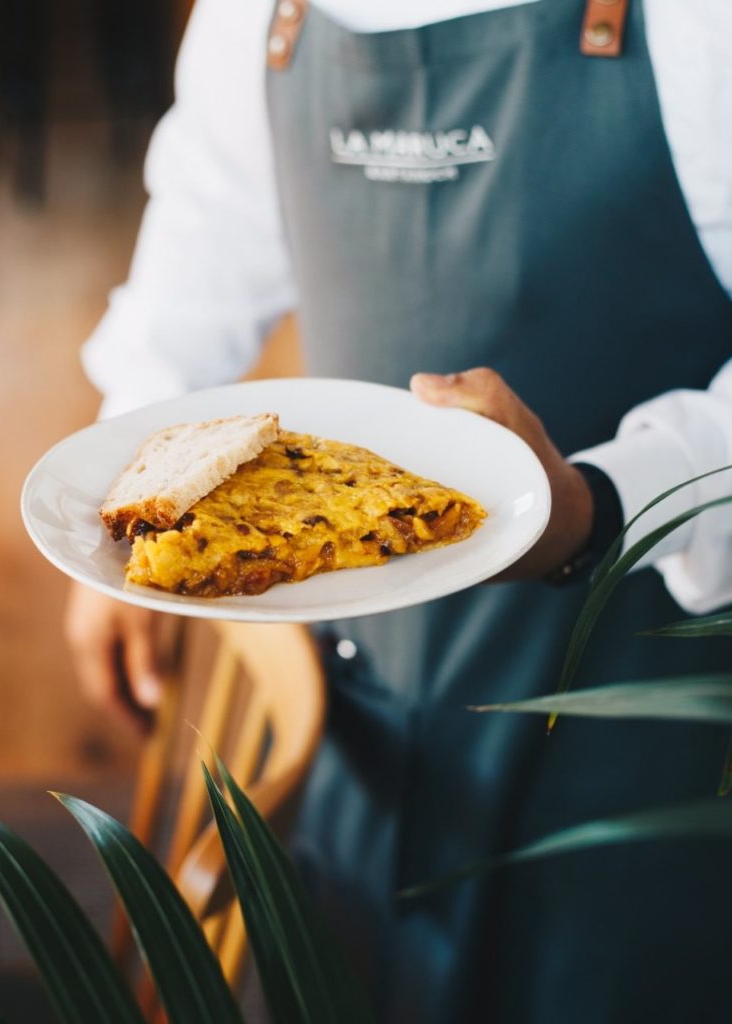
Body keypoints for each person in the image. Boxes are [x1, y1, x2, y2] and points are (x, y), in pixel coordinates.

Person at [65, 1, 732, 1020]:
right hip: (368, 731)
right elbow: (203, 235)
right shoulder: (265, 16)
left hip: (638, 759)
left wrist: (597, 503)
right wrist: (119, 489)